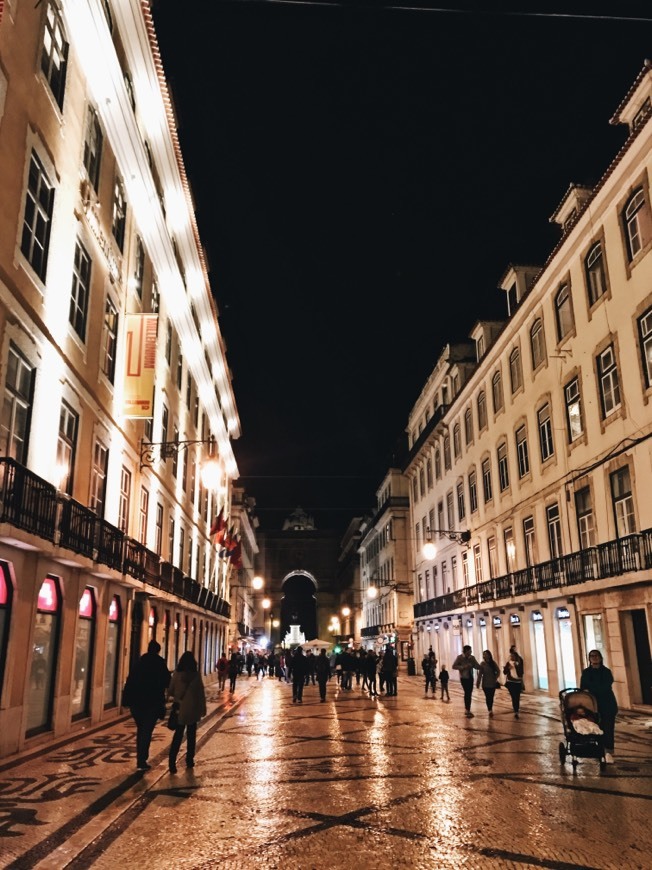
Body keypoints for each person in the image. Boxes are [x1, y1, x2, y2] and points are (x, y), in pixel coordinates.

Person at [122, 640, 170, 771]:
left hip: (137, 703)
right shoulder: (160, 663)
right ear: (158, 650)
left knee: (141, 729)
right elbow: (167, 681)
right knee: (146, 731)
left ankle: (141, 758)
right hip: (152, 702)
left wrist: (126, 700)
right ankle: (142, 759)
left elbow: (130, 680)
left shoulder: (139, 662)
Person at [167, 651, 206, 774]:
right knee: (191, 736)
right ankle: (189, 760)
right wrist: (202, 709)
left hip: (180, 709)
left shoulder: (177, 674)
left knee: (177, 736)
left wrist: (178, 694)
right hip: (192, 709)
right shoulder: (196, 675)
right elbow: (201, 694)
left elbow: (171, 690)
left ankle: (172, 763)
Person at [580, 649, 618, 763]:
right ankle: (598, 750)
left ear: (601, 658)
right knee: (596, 728)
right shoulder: (586, 672)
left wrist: (591, 689)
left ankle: (608, 752)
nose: (594, 657)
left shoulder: (606, 672)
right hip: (592, 705)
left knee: (608, 728)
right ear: (589, 659)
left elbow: (606, 686)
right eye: (592, 656)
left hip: (607, 704)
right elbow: (583, 687)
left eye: (596, 656)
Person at [452, 645, 481, 717]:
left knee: (469, 693)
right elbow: (454, 666)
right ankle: (467, 709)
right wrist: (463, 667)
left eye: (471, 651)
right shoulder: (460, 658)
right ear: (465, 651)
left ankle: (468, 709)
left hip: (470, 677)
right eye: (469, 651)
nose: (470, 653)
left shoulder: (472, 658)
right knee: (467, 692)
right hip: (464, 678)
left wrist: (477, 666)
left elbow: (477, 666)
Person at [476, 650, 501, 717]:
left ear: (489, 655)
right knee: (488, 697)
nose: (485, 655)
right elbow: (480, 674)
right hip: (485, 684)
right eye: (484, 654)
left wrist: (495, 677)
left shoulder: (493, 663)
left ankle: (490, 708)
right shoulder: (482, 664)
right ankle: (490, 710)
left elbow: (498, 671)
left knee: (491, 697)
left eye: (486, 654)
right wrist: (478, 682)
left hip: (492, 683)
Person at [503, 650, 524, 719]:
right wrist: (508, 668)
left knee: (517, 697)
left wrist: (516, 666)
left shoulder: (519, 663)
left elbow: (521, 673)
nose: (512, 657)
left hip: (517, 683)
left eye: (513, 656)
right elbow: (504, 672)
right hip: (511, 682)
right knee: (513, 697)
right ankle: (515, 710)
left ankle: (517, 710)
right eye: (511, 656)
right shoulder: (508, 663)